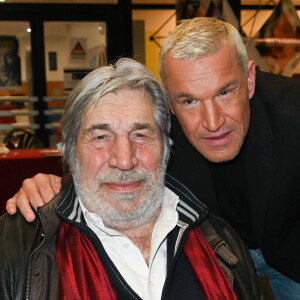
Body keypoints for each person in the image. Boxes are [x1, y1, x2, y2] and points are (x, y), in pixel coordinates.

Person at [6, 17, 300, 299]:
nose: (212, 122)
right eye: (189, 100)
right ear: (170, 101)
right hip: (222, 250)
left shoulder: (293, 115)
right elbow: (103, 157)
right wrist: (54, 188)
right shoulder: (157, 133)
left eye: (224, 92)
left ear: (249, 80)